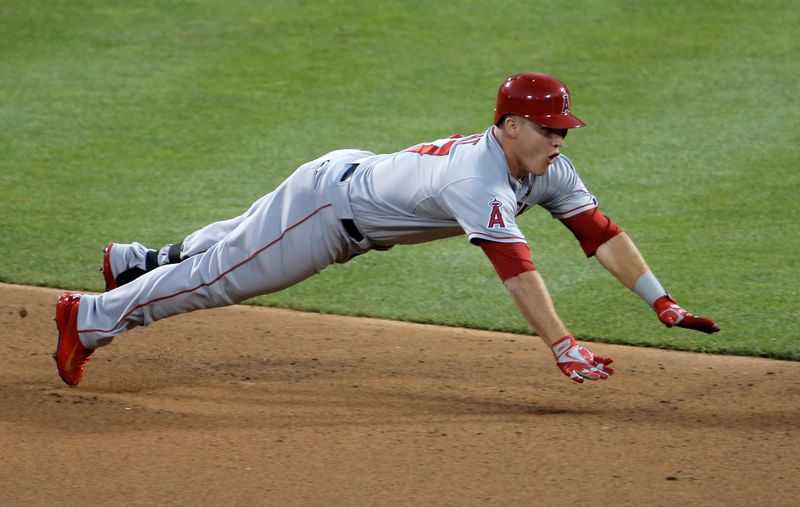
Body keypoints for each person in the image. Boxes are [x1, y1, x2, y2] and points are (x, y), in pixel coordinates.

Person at [53, 72, 720, 387]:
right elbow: (517, 268)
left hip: (343, 175)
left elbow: (599, 232)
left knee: (229, 245)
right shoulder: (477, 179)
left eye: (562, 130)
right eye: (551, 129)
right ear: (511, 126)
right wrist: (563, 343)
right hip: (329, 215)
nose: (559, 139)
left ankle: (134, 261)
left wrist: (659, 299)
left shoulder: (546, 166)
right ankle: (89, 318)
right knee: (217, 277)